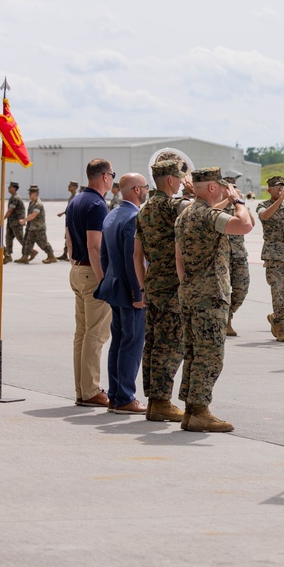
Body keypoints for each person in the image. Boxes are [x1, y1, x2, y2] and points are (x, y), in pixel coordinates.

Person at [175, 167, 253, 431]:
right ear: (212, 188)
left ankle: (191, 410)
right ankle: (199, 411)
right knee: (210, 355)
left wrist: (189, 285)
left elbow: (179, 260)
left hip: (189, 292)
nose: (224, 189)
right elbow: (245, 225)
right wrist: (238, 202)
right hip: (210, 295)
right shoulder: (209, 215)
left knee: (194, 352)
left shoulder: (185, 215)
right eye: (221, 186)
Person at [134, 159, 190, 423]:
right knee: (171, 346)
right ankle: (161, 402)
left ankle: (154, 400)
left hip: (153, 282)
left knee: (154, 345)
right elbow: (200, 212)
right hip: (172, 288)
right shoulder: (174, 206)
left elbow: (137, 255)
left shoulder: (144, 210)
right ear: (170, 180)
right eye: (179, 179)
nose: (181, 183)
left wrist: (144, 285)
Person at [95, 174, 149, 414]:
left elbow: (104, 256)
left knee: (118, 343)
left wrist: (109, 281)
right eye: (146, 187)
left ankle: (116, 395)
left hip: (114, 288)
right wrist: (138, 293)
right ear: (137, 190)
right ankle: (126, 397)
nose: (147, 190)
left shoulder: (112, 213)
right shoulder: (134, 217)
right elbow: (133, 259)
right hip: (130, 291)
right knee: (133, 343)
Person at [65, 159, 114, 407]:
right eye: (112, 174)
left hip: (78, 270)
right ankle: (91, 390)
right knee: (95, 335)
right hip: (92, 273)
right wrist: (103, 278)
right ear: (105, 176)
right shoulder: (97, 204)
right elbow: (94, 246)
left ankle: (82, 390)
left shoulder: (75, 200)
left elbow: (69, 241)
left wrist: (75, 264)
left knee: (82, 334)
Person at [257, 176, 284, 343]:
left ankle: (276, 317)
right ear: (269, 190)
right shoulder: (263, 206)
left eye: (282, 186)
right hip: (273, 255)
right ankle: (280, 326)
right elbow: (265, 216)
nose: (280, 189)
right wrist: (281, 199)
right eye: (277, 187)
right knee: (278, 292)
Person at [224, 176, 253, 336]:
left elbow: (252, 224)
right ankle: (224, 320)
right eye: (230, 188)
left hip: (239, 253)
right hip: (222, 254)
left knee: (242, 288)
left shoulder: (238, 206)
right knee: (223, 290)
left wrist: (240, 202)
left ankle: (228, 315)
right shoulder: (217, 206)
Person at [16, 185, 57, 264]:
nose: (29, 196)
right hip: (32, 228)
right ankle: (25, 257)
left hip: (38, 228)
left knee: (43, 243)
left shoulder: (38, 204)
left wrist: (24, 220)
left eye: (30, 194)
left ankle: (52, 256)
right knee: (28, 242)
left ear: (35, 194)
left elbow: (34, 214)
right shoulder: (32, 203)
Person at [3, 182, 26, 261]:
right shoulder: (13, 197)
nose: (8, 188)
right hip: (11, 222)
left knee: (20, 238)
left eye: (10, 187)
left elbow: (10, 210)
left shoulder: (15, 198)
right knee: (8, 238)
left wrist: (3, 219)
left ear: (14, 188)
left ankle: (28, 252)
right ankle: (8, 255)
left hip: (17, 222)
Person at [58, 180, 79, 258]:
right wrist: (63, 213)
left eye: (70, 186)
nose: (68, 187)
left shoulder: (76, 197)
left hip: (73, 221)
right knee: (67, 236)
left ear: (75, 187)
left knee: (72, 237)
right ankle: (65, 254)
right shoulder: (72, 197)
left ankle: (73, 255)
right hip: (70, 220)